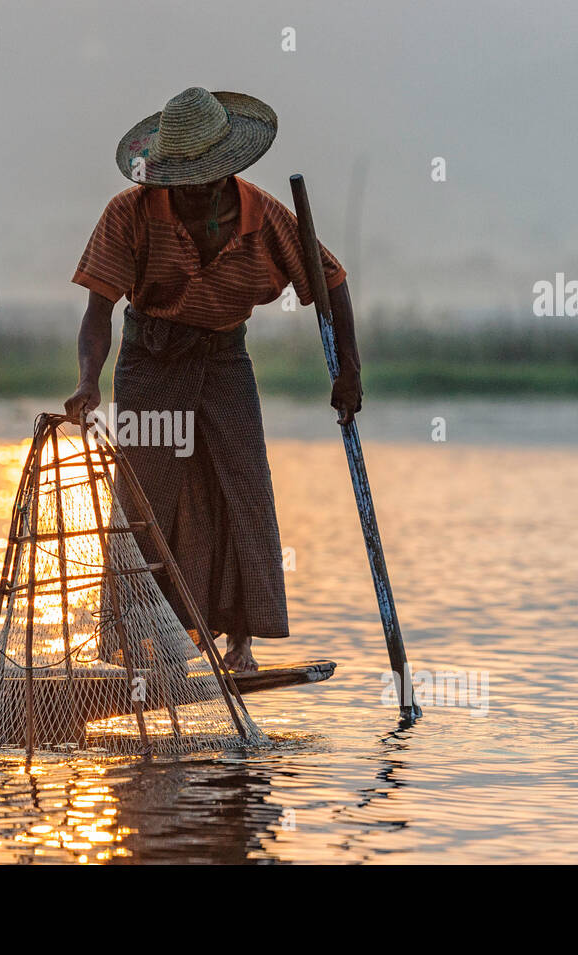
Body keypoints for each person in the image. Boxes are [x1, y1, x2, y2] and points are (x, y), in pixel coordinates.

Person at [64, 87, 362, 671]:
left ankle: (240, 643)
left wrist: (349, 369)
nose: (192, 189)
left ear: (227, 168)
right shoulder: (130, 213)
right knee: (145, 498)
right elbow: (98, 313)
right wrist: (88, 382)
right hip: (152, 359)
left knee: (241, 487)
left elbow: (331, 282)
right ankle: (137, 647)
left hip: (225, 359)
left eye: (204, 177)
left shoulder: (263, 214)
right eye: (181, 177)